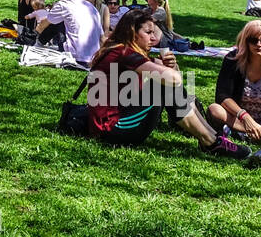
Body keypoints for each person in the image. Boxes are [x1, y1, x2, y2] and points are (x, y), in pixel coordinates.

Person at [86, 9, 249, 159]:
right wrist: (169, 70)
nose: (153, 38)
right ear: (133, 33)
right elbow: (174, 79)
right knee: (164, 83)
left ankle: (212, 137)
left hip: (115, 122)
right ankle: (210, 141)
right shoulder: (123, 54)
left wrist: (172, 66)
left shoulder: (127, 52)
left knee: (166, 82)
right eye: (148, 32)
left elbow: (175, 76)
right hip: (114, 129)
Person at [27, 0, 103, 64]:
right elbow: (101, 35)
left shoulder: (63, 4)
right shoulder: (90, 6)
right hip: (94, 56)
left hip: (76, 55)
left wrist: (33, 33)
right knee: (58, 19)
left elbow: (45, 23)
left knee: (55, 22)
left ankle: (37, 43)